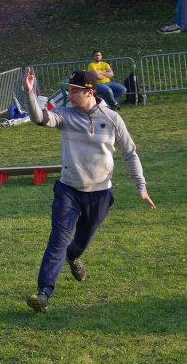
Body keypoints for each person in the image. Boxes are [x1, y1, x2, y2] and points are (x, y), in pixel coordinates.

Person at [22, 68, 156, 313]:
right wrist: (29, 94)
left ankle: (74, 258)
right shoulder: (64, 115)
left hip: (100, 194)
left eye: (74, 91)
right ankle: (43, 293)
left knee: (79, 244)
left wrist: (141, 187)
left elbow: (130, 153)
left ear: (90, 92)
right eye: (69, 90)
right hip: (68, 190)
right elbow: (39, 118)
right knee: (58, 240)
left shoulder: (113, 119)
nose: (69, 95)